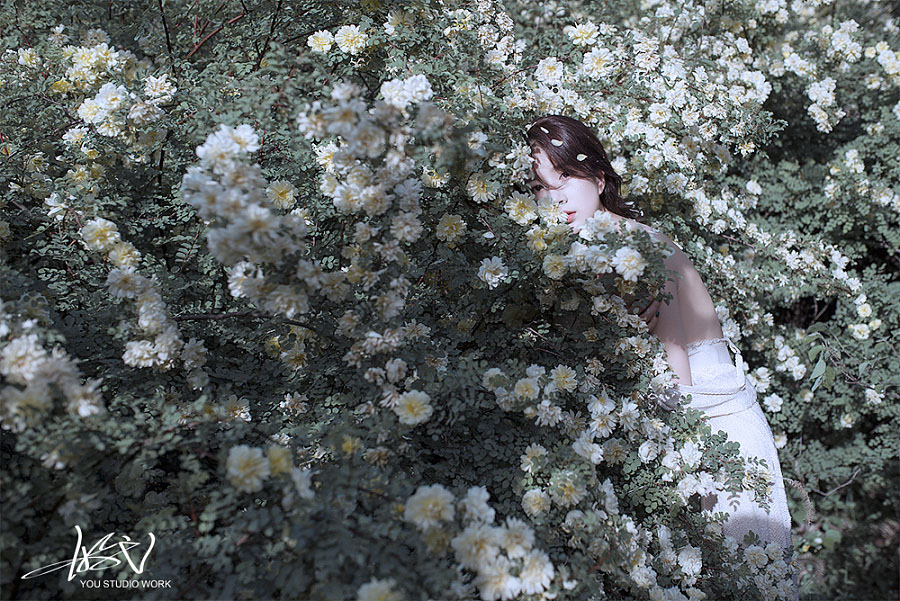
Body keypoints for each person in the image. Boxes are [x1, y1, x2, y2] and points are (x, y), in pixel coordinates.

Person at [525, 114, 800, 600]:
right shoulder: (571, 256)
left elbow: (677, 378)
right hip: (671, 431)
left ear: (599, 178)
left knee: (746, 581)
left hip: (713, 433)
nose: (556, 197)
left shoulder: (639, 246)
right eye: (541, 186)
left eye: (565, 176)